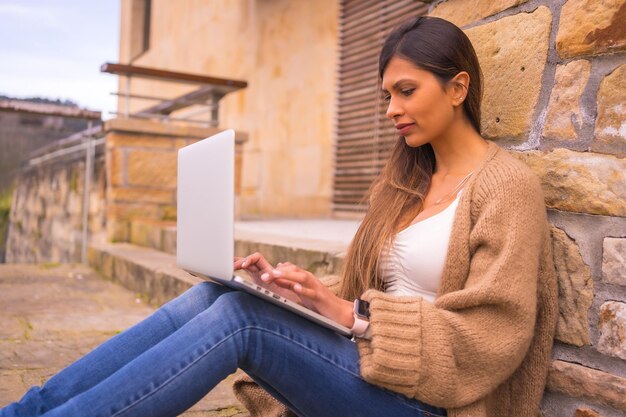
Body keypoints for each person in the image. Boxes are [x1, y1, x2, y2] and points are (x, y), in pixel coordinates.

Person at [1, 15, 558, 417]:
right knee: (221, 296)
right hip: (368, 366)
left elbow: (492, 339)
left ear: (458, 86)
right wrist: (301, 292)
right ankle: (30, 410)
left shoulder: (507, 189)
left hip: (433, 401)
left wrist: (345, 313)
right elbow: (369, 294)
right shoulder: (403, 184)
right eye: (387, 94)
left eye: (406, 91)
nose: (391, 109)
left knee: (241, 322)